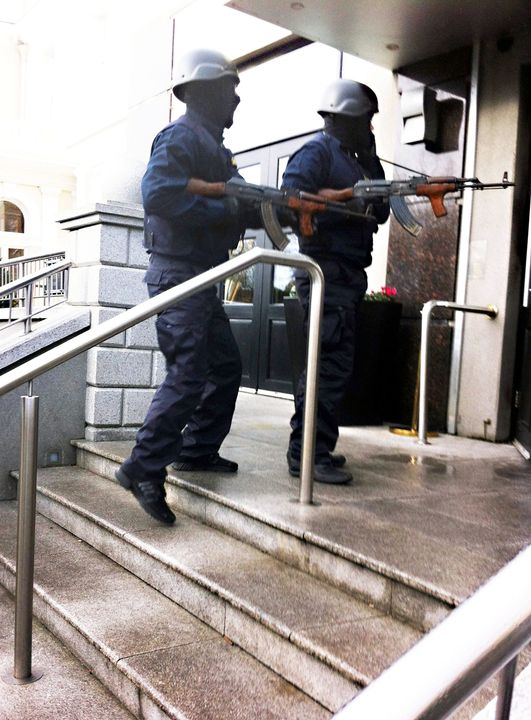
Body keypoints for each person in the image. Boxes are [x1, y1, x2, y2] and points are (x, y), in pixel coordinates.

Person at [116, 49, 253, 524]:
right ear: (204, 91)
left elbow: (244, 203)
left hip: (201, 274)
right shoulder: (180, 137)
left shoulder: (216, 148)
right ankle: (143, 467)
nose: (237, 96)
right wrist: (226, 209)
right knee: (189, 370)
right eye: (230, 88)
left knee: (224, 364)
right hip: (179, 272)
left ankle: (195, 450)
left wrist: (285, 206)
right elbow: (157, 194)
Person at [283, 78, 390, 484]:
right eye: (367, 120)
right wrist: (345, 198)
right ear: (346, 116)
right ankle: (306, 456)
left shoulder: (356, 158)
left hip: (346, 276)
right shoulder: (317, 152)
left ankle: (318, 447)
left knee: (335, 366)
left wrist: (372, 163)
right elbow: (291, 199)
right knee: (325, 367)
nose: (371, 127)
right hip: (324, 271)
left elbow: (379, 213)